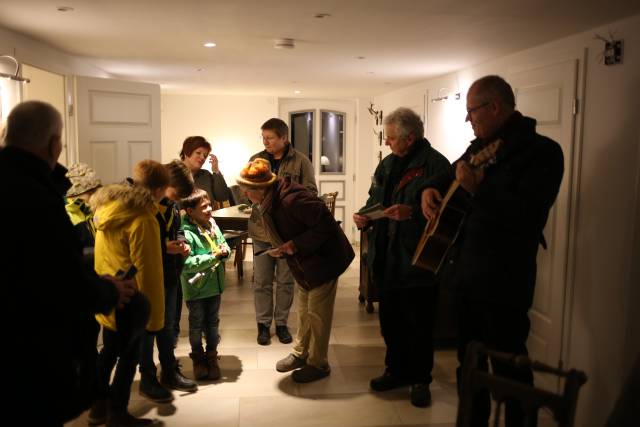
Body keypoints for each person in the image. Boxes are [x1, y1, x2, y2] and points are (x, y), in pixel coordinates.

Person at [420, 75, 564, 426]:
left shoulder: (543, 152)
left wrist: (480, 188)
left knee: (509, 367)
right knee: (467, 364)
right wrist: (428, 190)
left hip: (504, 284)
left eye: (472, 111)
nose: (469, 120)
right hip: (466, 277)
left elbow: (528, 217)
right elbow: (448, 176)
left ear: (495, 106)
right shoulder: (479, 146)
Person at [0, 101, 135, 426]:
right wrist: (108, 290)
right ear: (53, 144)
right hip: (31, 350)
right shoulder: (37, 197)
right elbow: (57, 277)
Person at [353, 107, 450, 407]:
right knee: (390, 321)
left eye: (391, 138)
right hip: (388, 256)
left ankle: (421, 379)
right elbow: (376, 197)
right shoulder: (388, 164)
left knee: (419, 324)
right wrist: (366, 216)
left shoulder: (436, 166)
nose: (387, 143)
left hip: (418, 259)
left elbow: (446, 217)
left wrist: (412, 216)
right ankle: (395, 370)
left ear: (410, 138)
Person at [237, 158, 354, 383]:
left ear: (259, 188)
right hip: (305, 261)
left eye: (246, 189)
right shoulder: (271, 199)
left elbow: (327, 225)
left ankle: (318, 364)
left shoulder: (292, 199)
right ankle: (301, 353)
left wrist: (295, 244)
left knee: (318, 313)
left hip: (324, 260)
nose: (244, 193)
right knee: (304, 308)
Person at [89, 160, 167, 427]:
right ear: (158, 189)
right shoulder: (143, 217)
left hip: (108, 291)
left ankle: (98, 407)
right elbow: (148, 269)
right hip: (130, 296)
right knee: (129, 356)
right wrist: (154, 317)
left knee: (108, 351)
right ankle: (118, 414)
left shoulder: (108, 207)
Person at [249, 118, 317, 346]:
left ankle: (281, 324)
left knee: (287, 282)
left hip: (288, 234)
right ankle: (262, 325)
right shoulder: (255, 161)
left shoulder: (301, 161)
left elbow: (311, 192)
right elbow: (244, 190)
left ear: (283, 138)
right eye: (263, 137)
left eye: (270, 138)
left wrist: (288, 198)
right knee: (262, 281)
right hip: (261, 232)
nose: (265, 142)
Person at [137, 160, 198, 403]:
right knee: (148, 329)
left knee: (167, 326)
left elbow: (177, 229)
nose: (176, 200)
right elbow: (139, 243)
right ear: (164, 184)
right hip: (149, 275)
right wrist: (165, 247)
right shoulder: (143, 207)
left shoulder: (170, 206)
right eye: (175, 193)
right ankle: (147, 378)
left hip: (170, 273)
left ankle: (169, 370)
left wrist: (181, 243)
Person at [180, 188, 231, 381]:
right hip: (196, 289)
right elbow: (186, 264)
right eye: (204, 207)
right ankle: (198, 359)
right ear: (190, 211)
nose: (210, 209)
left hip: (215, 286)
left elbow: (223, 245)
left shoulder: (212, 224)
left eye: (209, 204)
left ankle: (211, 356)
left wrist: (224, 252)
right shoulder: (185, 232)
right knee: (196, 325)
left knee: (213, 324)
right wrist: (213, 257)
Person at [180, 135, 233, 208]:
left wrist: (216, 171)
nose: (202, 158)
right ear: (186, 152)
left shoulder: (206, 175)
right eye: (198, 153)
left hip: (207, 218)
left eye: (205, 155)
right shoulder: (170, 173)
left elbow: (223, 196)